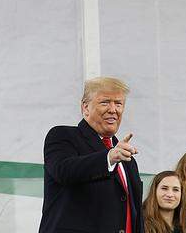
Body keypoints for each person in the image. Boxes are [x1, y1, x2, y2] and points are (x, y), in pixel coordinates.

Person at [38, 77, 143, 233]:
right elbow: (64, 170)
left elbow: (134, 213)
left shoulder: (127, 159)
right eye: (105, 102)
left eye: (118, 103)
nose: (113, 109)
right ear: (85, 107)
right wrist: (109, 158)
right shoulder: (62, 136)